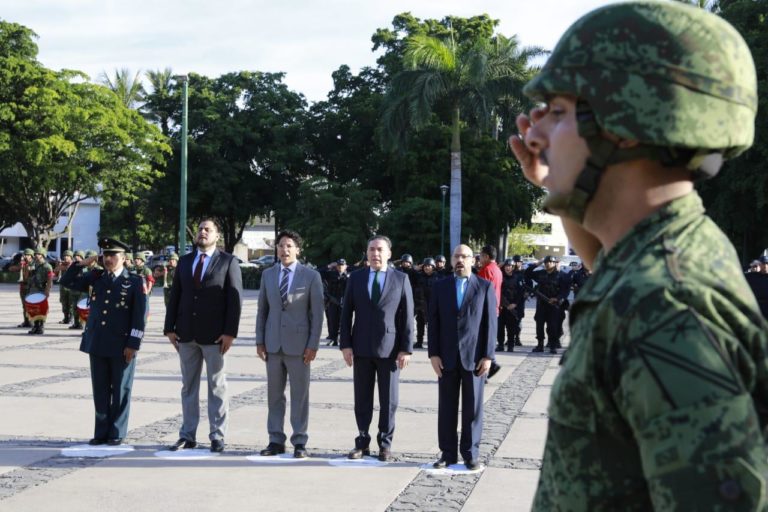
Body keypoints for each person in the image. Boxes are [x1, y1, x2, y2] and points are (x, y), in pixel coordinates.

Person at [508, 2, 768, 508]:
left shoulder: (669, 303)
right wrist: (557, 185)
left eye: (558, 114)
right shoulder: (657, 255)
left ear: (624, 124)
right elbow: (606, 269)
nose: (535, 135)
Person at [164, 219, 243, 453]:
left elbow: (234, 299)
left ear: (217, 236)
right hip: (186, 334)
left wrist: (230, 332)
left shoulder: (228, 262)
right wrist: (170, 327)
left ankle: (217, 435)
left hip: (215, 336)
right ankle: (187, 434)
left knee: (216, 385)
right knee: (188, 387)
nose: (202, 232)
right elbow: (175, 295)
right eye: (200, 229)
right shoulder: (186, 261)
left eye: (208, 229)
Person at [59, 238, 147, 446]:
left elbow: (139, 316)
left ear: (124, 259)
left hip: (122, 344)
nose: (108, 259)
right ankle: (101, 432)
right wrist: (82, 263)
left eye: (113, 255)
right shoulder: (96, 277)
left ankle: (116, 432)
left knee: (120, 390)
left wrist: (133, 344)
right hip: (97, 342)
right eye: (105, 255)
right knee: (100, 389)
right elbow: (67, 282)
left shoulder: (134, 282)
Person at [340, 235, 414, 462]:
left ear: (389, 253)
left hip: (390, 350)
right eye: (371, 249)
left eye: (380, 250)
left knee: (388, 400)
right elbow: (346, 314)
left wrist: (406, 349)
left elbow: (407, 316)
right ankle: (362, 440)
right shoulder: (356, 278)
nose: (375, 254)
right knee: (362, 398)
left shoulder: (401, 279)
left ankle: (385, 443)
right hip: (361, 347)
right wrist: (345, 345)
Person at [255, 230, 324, 459]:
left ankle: (299, 441)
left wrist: (313, 344)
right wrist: (260, 340)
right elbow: (262, 310)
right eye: (281, 246)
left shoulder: (311, 276)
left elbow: (317, 313)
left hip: (300, 346)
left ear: (297, 249)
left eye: (289, 246)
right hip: (273, 345)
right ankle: (275, 439)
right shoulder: (268, 275)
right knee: (274, 395)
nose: (284, 250)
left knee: (299, 395)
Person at [428, 244, 496, 470]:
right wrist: (433, 354)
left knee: (473, 409)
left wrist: (487, 355)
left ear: (473, 260)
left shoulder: (484, 287)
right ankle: (447, 453)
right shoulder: (440, 287)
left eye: (465, 256)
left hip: (474, 358)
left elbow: (490, 324)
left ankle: (470, 453)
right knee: (446, 407)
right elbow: (433, 322)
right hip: (446, 357)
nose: (460, 260)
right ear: (451, 260)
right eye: (456, 256)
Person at [525, 256, 570, 354]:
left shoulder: (561, 275)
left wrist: (557, 298)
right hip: (541, 304)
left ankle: (553, 346)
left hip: (554, 305)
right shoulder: (540, 274)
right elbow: (527, 273)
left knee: (553, 326)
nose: (547, 264)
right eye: (546, 262)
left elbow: (565, 291)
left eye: (550, 262)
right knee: (539, 324)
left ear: (555, 263)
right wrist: (537, 264)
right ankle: (540, 345)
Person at [413, 257, 440, 349]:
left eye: (429, 266)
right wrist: (416, 268)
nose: (427, 268)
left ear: (433, 267)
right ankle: (419, 342)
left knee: (432, 326)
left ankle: (432, 343)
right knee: (419, 324)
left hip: (433, 305)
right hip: (421, 305)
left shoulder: (438, 277)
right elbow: (409, 272)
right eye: (425, 266)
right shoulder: (419, 276)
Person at [26, 248, 54, 335]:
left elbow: (50, 280)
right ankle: (35, 326)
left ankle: (41, 327)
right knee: (33, 309)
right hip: (32, 290)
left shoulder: (47, 266)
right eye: (35, 254)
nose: (35, 255)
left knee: (41, 309)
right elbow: (27, 276)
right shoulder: (33, 264)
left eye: (38, 254)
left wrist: (47, 291)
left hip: (41, 290)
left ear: (42, 255)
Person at [322, 258, 348, 346]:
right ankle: (333, 338)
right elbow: (318, 272)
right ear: (336, 266)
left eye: (342, 265)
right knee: (333, 321)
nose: (340, 267)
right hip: (332, 301)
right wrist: (329, 266)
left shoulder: (348, 276)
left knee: (343, 321)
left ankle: (342, 339)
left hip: (343, 302)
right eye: (339, 265)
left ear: (345, 266)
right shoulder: (331, 274)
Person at [9, 248, 34, 328]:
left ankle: (32, 321)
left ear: (31, 256)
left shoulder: (34, 264)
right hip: (23, 287)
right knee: (24, 306)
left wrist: (26, 266)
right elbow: (11, 269)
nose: (26, 256)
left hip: (31, 287)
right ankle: (26, 321)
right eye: (25, 255)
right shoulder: (22, 263)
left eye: (28, 255)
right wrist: (19, 265)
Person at [55, 250, 74, 325]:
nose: (65, 258)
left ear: (71, 257)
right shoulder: (61, 265)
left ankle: (71, 318)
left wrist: (64, 267)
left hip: (71, 287)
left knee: (71, 303)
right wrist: (58, 265)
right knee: (64, 302)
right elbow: (55, 272)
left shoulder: (73, 265)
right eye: (64, 256)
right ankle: (66, 318)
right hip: (63, 287)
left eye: (67, 256)